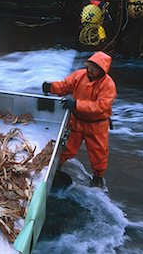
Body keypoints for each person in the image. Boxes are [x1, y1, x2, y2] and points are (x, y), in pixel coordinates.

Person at [42, 51, 116, 188]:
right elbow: (65, 86)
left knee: (99, 154)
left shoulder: (108, 85)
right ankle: (56, 170)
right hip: (76, 121)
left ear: (102, 71)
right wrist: (51, 87)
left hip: (97, 125)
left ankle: (98, 177)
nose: (91, 70)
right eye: (89, 67)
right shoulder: (80, 75)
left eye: (95, 69)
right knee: (65, 148)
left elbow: (101, 106)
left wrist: (76, 104)